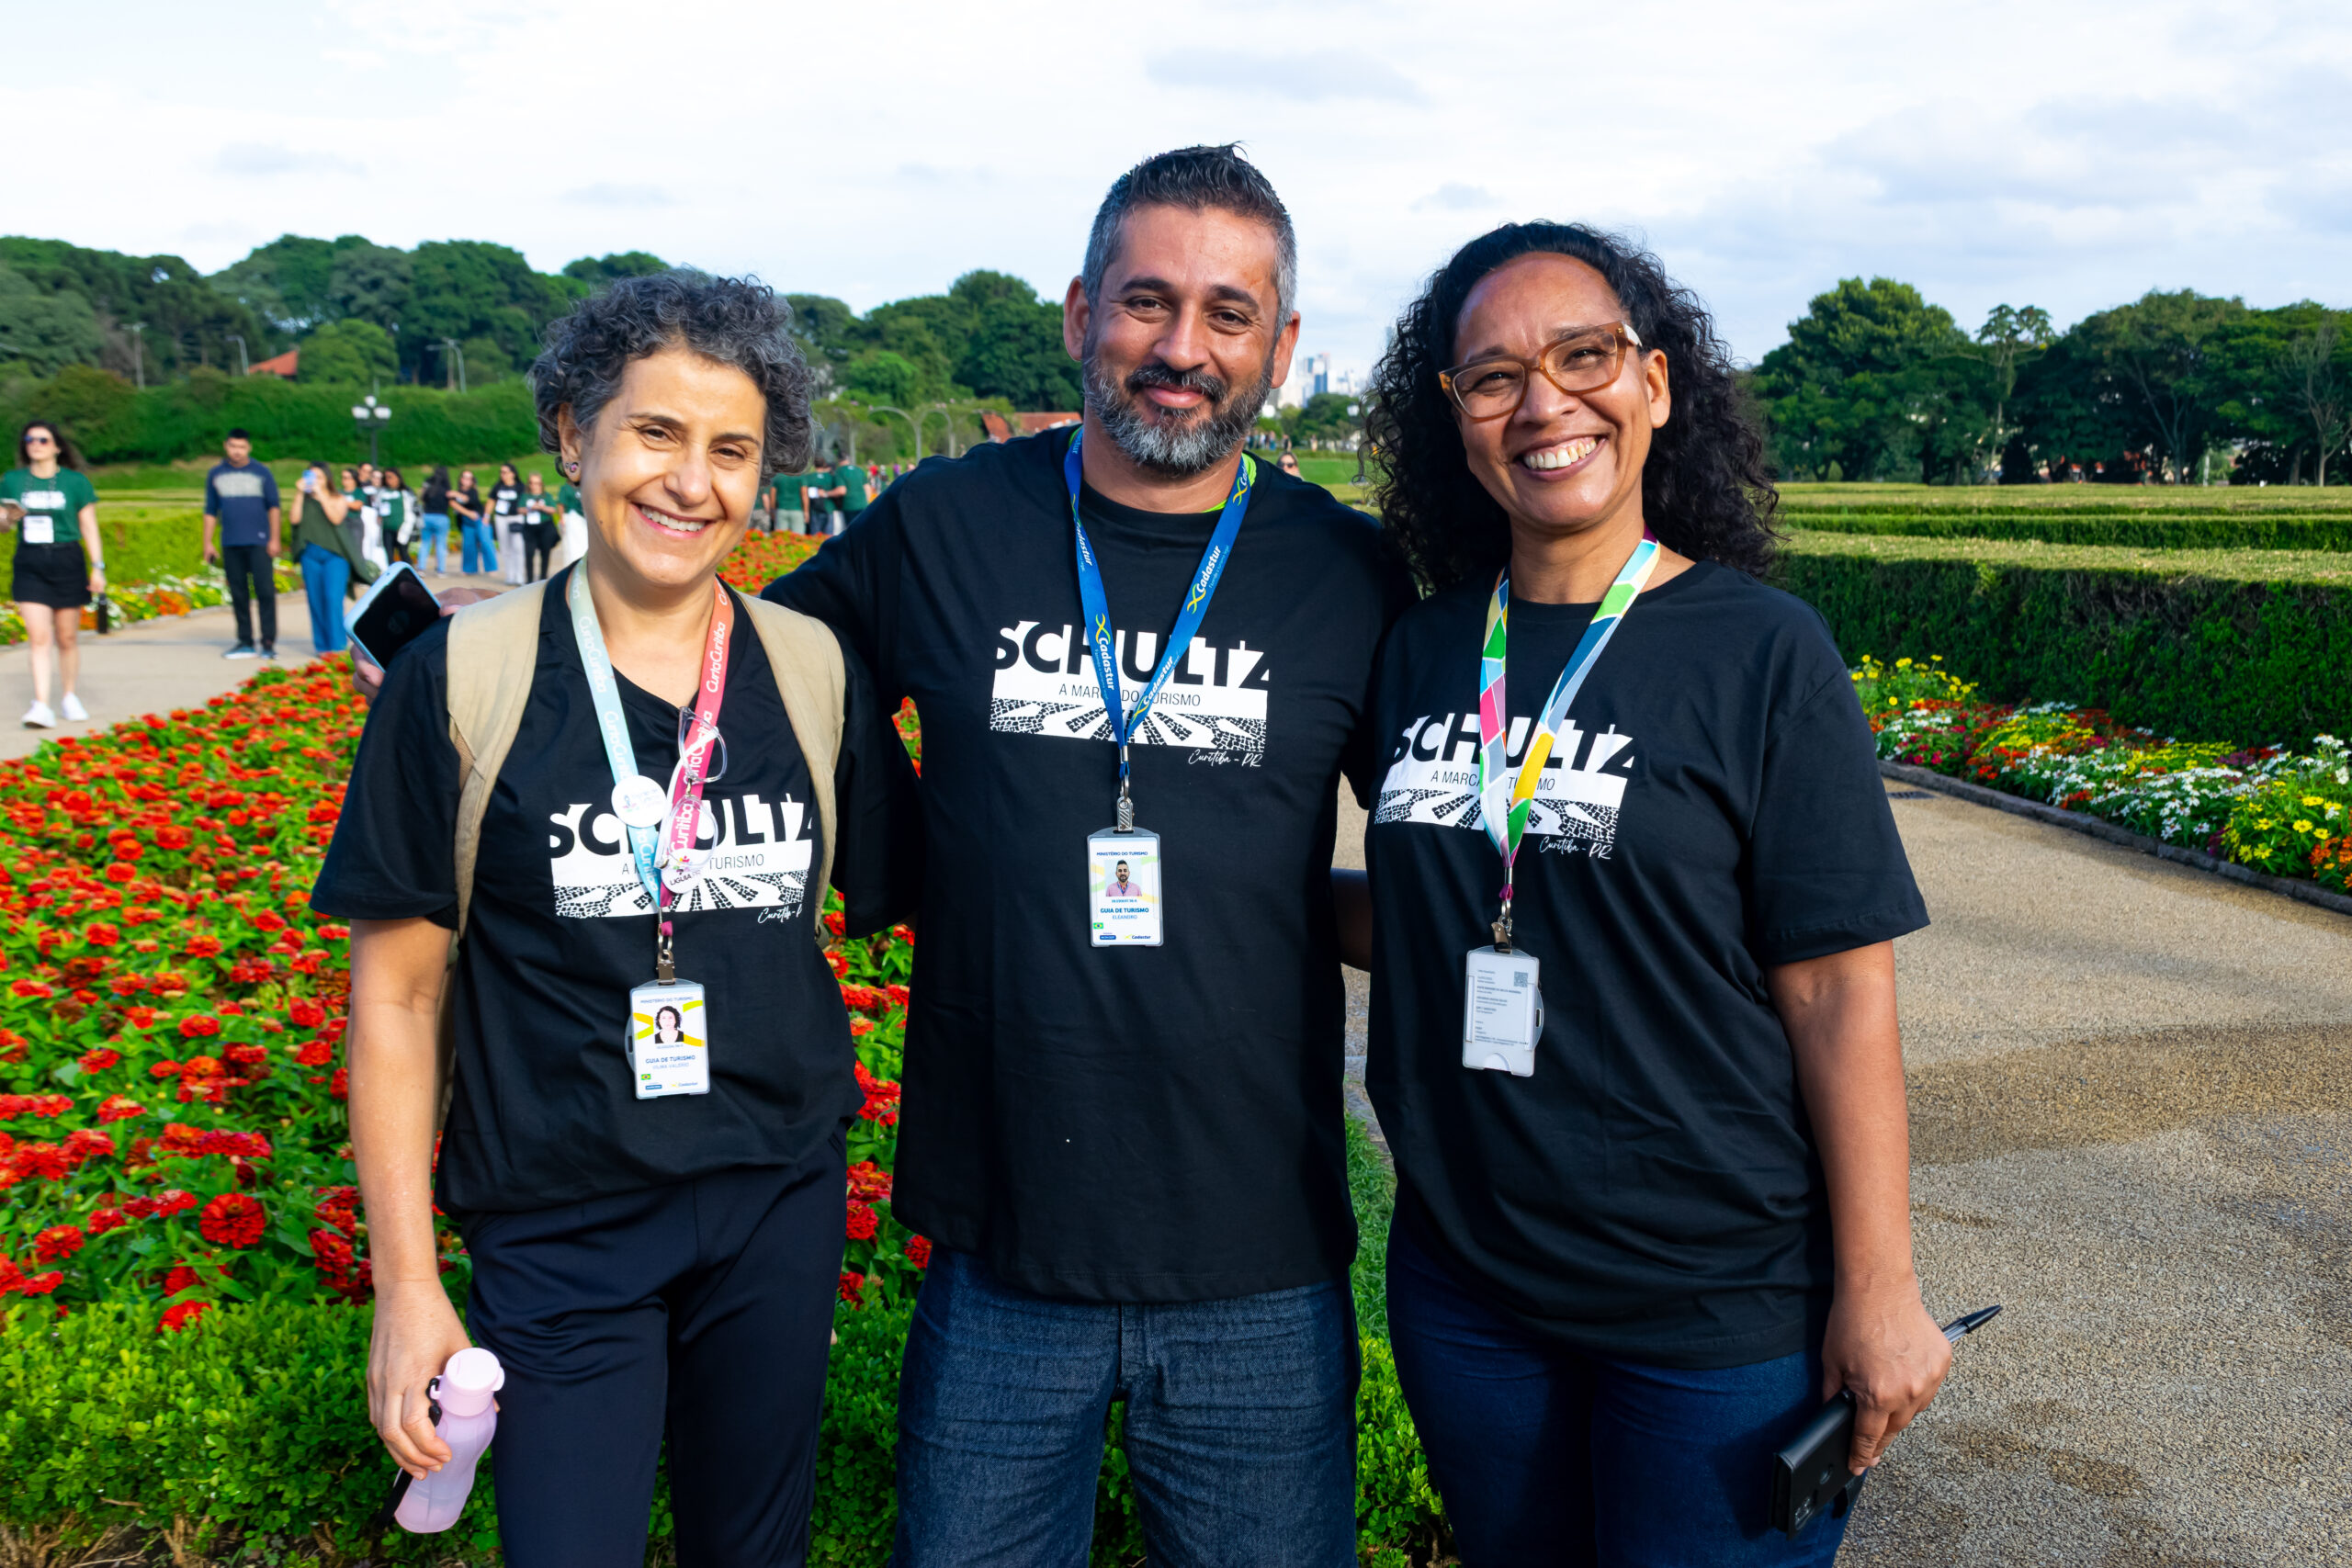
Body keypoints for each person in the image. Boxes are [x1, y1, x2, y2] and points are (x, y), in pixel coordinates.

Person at [764, 144, 1403, 1565]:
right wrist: (482, 676)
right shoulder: (947, 522)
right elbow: (732, 679)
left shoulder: (1346, 572)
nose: (1183, 350)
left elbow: (1453, 851)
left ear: (1282, 349)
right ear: (1077, 314)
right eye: (1146, 302)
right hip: (1003, 1251)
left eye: (1229, 315)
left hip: (1259, 1261)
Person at [1355, 222, 1951, 1565]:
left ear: (1658, 384)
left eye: (1585, 358)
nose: (1545, 403)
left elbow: (1841, 989)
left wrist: (1880, 1285)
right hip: (1472, 1287)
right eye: (1494, 376)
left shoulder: (1759, 650)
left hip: (1714, 1306)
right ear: (1452, 418)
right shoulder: (1425, 648)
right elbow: (1428, 894)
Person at [317, 269, 919, 1568]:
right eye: (655, 431)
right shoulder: (461, 679)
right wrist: (405, 1285)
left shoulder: (810, 670)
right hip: (561, 1217)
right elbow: (397, 997)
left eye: (732, 448)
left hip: (775, 1194)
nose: (689, 481)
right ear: (573, 431)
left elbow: (917, 894)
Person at [3, 420, 104, 727]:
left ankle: (69, 696)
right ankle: (41, 704)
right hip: (30, 560)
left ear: (57, 447)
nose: (35, 444)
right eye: (30, 439)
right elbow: (4, 525)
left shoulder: (76, 482)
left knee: (67, 637)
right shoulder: (12, 480)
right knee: (39, 637)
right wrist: (7, 519)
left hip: (67, 558)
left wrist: (97, 567)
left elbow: (88, 526)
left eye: (43, 440)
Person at [201, 428, 282, 660]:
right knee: (238, 593)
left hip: (259, 542)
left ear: (249, 448)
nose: (237, 451)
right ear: (226, 446)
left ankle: (268, 642)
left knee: (265, 591)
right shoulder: (216, 474)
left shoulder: (262, 473)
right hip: (231, 541)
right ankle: (245, 641)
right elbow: (210, 510)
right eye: (233, 446)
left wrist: (274, 538)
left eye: (242, 447)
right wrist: (207, 542)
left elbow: (274, 507)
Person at [293, 461, 379, 653]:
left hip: (335, 557)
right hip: (311, 556)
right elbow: (294, 519)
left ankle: (337, 646)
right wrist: (300, 493)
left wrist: (321, 494)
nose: (315, 481)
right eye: (311, 476)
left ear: (327, 480)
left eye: (319, 477)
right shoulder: (305, 500)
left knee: (333, 599)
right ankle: (322, 647)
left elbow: (335, 518)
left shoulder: (337, 498)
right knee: (315, 601)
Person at [489, 463, 527, 585]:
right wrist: (486, 516)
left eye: (505, 472)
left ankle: (519, 575)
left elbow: (526, 502)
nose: (502, 475)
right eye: (501, 472)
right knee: (505, 547)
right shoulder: (498, 486)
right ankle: (510, 575)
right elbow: (491, 500)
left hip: (516, 518)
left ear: (513, 473)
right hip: (501, 518)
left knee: (518, 547)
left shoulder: (520, 487)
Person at [522, 471, 560, 581]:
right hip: (530, 528)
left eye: (537, 483)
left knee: (545, 552)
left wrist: (542, 508)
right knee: (529, 553)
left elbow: (553, 509)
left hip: (544, 527)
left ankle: (543, 578)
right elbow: (519, 509)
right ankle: (529, 580)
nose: (534, 486)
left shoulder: (546, 496)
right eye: (532, 483)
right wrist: (530, 508)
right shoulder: (525, 496)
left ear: (541, 484)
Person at [453, 468, 492, 574]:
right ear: (461, 479)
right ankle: (469, 569)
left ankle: (491, 568)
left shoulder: (472, 491)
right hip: (466, 522)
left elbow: (468, 499)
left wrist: (455, 494)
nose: (467, 481)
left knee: (485, 542)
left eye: (470, 478)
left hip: (478, 519)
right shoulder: (458, 492)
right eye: (465, 478)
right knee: (468, 545)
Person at [377, 467, 418, 567]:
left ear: (397, 478)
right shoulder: (382, 492)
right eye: (386, 477)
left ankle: (409, 575)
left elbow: (413, 510)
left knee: (403, 553)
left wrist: (408, 525)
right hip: (386, 528)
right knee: (389, 554)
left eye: (390, 477)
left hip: (401, 528)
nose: (388, 480)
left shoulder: (405, 492)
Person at [419, 466, 454, 575]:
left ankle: (421, 568)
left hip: (427, 517)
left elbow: (422, 498)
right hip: (441, 518)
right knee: (440, 544)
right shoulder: (446, 487)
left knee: (425, 543)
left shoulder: (429, 485)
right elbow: (451, 503)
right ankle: (441, 570)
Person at [823, 450, 867, 536]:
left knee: (852, 533)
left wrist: (826, 493)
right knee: (863, 531)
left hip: (849, 506)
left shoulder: (840, 471)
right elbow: (867, 488)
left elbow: (841, 490)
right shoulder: (859, 470)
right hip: (863, 505)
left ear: (839, 460)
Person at [553, 468, 589, 572]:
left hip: (583, 518)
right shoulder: (565, 488)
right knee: (571, 544)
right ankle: (571, 567)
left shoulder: (583, 487)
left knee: (583, 542)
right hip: (570, 516)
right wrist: (561, 519)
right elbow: (560, 504)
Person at [771, 469, 807, 536]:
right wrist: (806, 511)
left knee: (781, 537)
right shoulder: (800, 475)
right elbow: (804, 495)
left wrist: (773, 510)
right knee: (798, 537)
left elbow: (773, 496)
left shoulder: (778, 477)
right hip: (797, 510)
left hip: (781, 510)